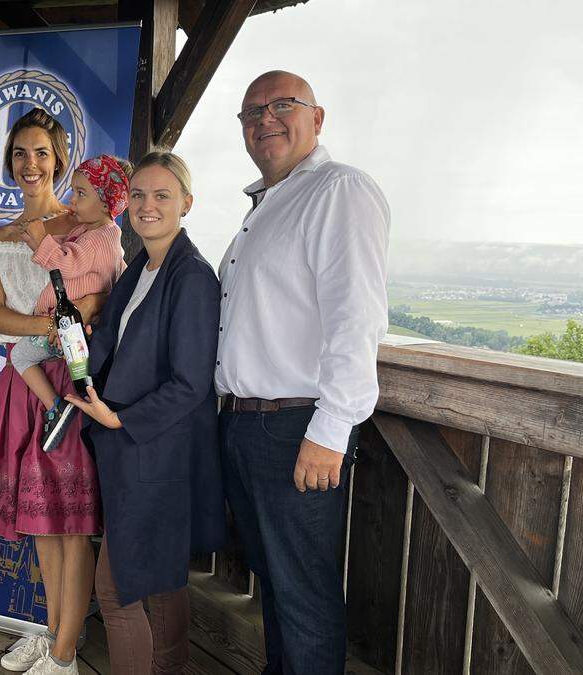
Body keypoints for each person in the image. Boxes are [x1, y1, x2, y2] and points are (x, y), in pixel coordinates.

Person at [215, 70, 389, 674]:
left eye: (283, 104)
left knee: (305, 598)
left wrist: (331, 429)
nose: (265, 118)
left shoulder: (338, 191)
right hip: (246, 427)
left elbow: (355, 318)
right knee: (277, 589)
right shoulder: (267, 205)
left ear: (318, 118)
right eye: (251, 112)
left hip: (296, 428)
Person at [65, 151, 226, 674]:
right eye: (137, 195)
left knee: (116, 590)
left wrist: (121, 419)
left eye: (161, 195)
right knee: (160, 578)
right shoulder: (141, 268)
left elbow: (190, 383)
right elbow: (120, 346)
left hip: (156, 451)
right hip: (134, 451)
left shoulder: (193, 276)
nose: (147, 205)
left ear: (187, 203)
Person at [0, 107, 106, 675]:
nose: (32, 164)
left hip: (71, 382)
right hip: (23, 384)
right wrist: (50, 327)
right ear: (10, 163)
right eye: (21, 154)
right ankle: (54, 634)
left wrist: (67, 331)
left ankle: (66, 654)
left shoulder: (86, 230)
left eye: (42, 154)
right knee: (42, 526)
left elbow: (99, 301)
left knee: (72, 528)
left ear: (60, 161)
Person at [8, 154, 128, 451]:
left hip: (69, 331)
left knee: (20, 356)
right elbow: (70, 249)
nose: (72, 199)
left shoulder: (101, 238)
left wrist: (40, 242)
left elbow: (68, 264)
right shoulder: (92, 232)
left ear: (105, 203)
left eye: (81, 193)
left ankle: (55, 407)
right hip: (69, 328)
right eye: (73, 190)